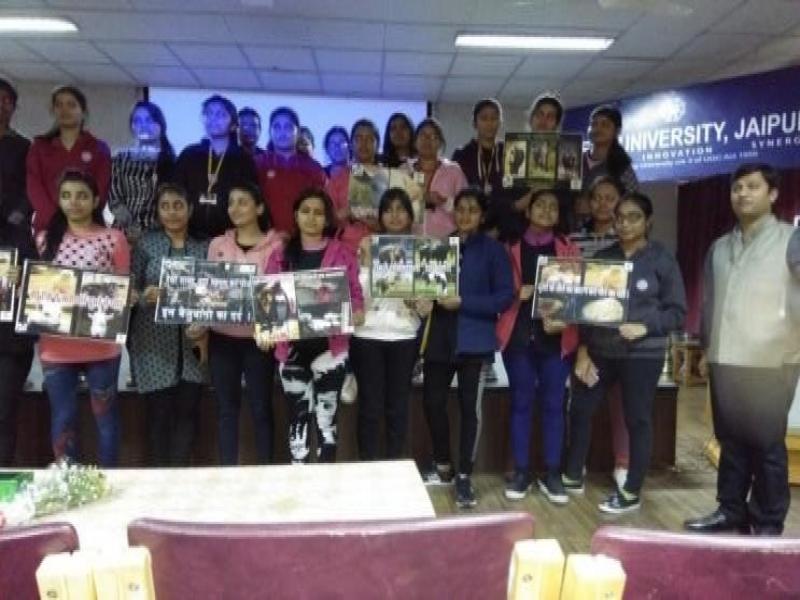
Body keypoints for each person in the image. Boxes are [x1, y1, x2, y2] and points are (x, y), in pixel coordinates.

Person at [684, 163, 800, 536]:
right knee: (730, 441)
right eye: (737, 188)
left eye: (753, 186)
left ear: (773, 194)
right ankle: (730, 509)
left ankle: (767, 521)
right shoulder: (719, 246)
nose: (743, 194)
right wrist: (706, 349)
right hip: (726, 358)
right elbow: (710, 303)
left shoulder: (790, 240)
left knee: (766, 446)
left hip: (772, 361)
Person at [563, 192, 686, 514]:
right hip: (601, 352)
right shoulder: (604, 258)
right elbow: (586, 311)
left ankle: (631, 490)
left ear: (648, 222)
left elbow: (677, 312)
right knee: (581, 408)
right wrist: (583, 351)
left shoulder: (661, 259)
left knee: (638, 418)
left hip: (642, 355)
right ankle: (572, 475)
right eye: (620, 218)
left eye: (634, 217)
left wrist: (646, 327)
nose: (625, 224)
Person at [420, 187, 514, 508]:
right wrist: (422, 299)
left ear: (482, 215)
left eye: (472, 210)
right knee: (432, 403)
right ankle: (443, 465)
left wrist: (464, 302)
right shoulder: (438, 247)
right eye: (460, 209)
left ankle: (464, 476)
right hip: (438, 339)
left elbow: (504, 297)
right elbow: (426, 289)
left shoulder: (494, 251)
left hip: (475, 340)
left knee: (470, 411)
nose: (465, 215)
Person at [259, 189, 364, 463]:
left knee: (327, 421)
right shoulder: (280, 255)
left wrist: (357, 311)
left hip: (331, 351)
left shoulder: (342, 253)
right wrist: (266, 329)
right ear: (296, 215)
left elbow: (355, 294)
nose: (312, 217)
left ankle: (326, 480)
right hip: (291, 350)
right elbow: (268, 298)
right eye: (305, 211)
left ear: (327, 218)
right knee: (297, 420)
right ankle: (300, 477)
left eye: (318, 212)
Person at [37, 170, 130, 467]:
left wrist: (127, 296)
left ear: (95, 200)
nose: (74, 202)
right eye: (66, 196)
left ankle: (110, 480)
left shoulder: (113, 238)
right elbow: (35, 289)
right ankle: (68, 481)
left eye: (81, 196)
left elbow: (123, 287)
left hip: (101, 346)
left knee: (105, 417)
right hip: (56, 347)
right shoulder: (43, 239)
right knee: (63, 417)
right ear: (58, 200)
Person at [495, 189, 579, 503]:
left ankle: (553, 473)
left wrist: (565, 317)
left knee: (554, 404)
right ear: (527, 212)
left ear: (559, 215)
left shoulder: (569, 249)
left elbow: (579, 295)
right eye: (539, 205)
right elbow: (497, 291)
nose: (545, 210)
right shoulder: (509, 248)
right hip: (518, 336)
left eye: (552, 206)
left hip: (556, 338)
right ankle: (521, 472)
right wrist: (516, 294)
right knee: (521, 402)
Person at [198, 180, 283, 466]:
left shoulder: (276, 246)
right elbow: (208, 292)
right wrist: (200, 327)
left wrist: (271, 329)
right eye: (231, 203)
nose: (235, 208)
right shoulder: (217, 245)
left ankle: (265, 470)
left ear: (259, 208)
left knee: (261, 408)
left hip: (260, 340)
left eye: (243, 202)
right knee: (226, 409)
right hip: (222, 338)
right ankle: (228, 473)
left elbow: (279, 292)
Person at [129, 183, 208, 467]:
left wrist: (205, 321)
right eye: (165, 206)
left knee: (188, 414)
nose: (172, 212)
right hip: (152, 342)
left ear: (190, 210)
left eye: (178, 206)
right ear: (157, 211)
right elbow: (128, 289)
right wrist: (143, 296)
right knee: (158, 416)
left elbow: (216, 293)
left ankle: (180, 476)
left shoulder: (204, 247)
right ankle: (159, 476)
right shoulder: (145, 244)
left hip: (194, 342)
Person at [351, 188, 424, 460]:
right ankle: (367, 465)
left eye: (401, 209)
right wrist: (369, 264)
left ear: (411, 215)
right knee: (370, 407)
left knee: (398, 407)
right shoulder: (367, 244)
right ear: (380, 215)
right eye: (388, 210)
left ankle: (395, 465)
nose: (394, 215)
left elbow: (427, 301)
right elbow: (355, 291)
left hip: (404, 336)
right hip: (367, 335)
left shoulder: (422, 249)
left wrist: (419, 301)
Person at [569, 175, 630, 488]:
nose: (602, 204)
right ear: (588, 202)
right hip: (584, 331)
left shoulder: (629, 240)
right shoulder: (573, 240)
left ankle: (623, 464)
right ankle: (575, 464)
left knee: (623, 403)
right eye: (597, 198)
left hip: (622, 334)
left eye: (610, 198)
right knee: (580, 400)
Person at [27, 85, 111, 234]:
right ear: (53, 111)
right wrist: (56, 220)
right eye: (59, 105)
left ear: (83, 111)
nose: (64, 110)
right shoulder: (39, 147)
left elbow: (101, 189)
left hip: (88, 228)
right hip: (48, 228)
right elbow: (34, 188)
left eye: (71, 105)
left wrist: (79, 220)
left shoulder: (99, 148)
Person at [174, 95, 258, 241]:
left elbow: (249, 200)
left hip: (230, 238)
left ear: (233, 124)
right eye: (209, 114)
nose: (214, 119)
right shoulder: (189, 154)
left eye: (221, 114)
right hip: (190, 237)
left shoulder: (243, 159)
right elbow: (176, 193)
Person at [108, 101, 176, 242]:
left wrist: (151, 230)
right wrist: (132, 227)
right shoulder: (120, 159)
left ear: (160, 124)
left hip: (160, 235)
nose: (143, 125)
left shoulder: (172, 161)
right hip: (123, 234)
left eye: (149, 120)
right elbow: (114, 198)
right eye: (137, 121)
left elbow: (173, 201)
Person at [255, 107, 326, 235]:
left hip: (304, 238)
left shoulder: (313, 168)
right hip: (265, 238)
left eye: (288, 127)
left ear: (298, 132)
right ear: (270, 132)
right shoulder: (258, 164)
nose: (282, 133)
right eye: (277, 127)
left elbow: (322, 206)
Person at [403, 118, 467, 238]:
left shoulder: (454, 171)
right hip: (411, 240)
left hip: (447, 240)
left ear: (441, 143)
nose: (427, 140)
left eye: (433, 137)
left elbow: (466, 210)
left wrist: (443, 201)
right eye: (423, 135)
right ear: (415, 141)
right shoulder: (404, 171)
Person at [582, 104, 638, 193]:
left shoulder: (622, 167)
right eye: (594, 124)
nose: (597, 129)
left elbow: (632, 198)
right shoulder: (577, 160)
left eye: (605, 125)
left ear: (617, 131)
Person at [0, 78, 32, 230]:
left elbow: (30, 186)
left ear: (13, 107)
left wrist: (18, 214)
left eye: (6, 100)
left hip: (12, 226)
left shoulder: (24, 146)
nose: (1, 105)